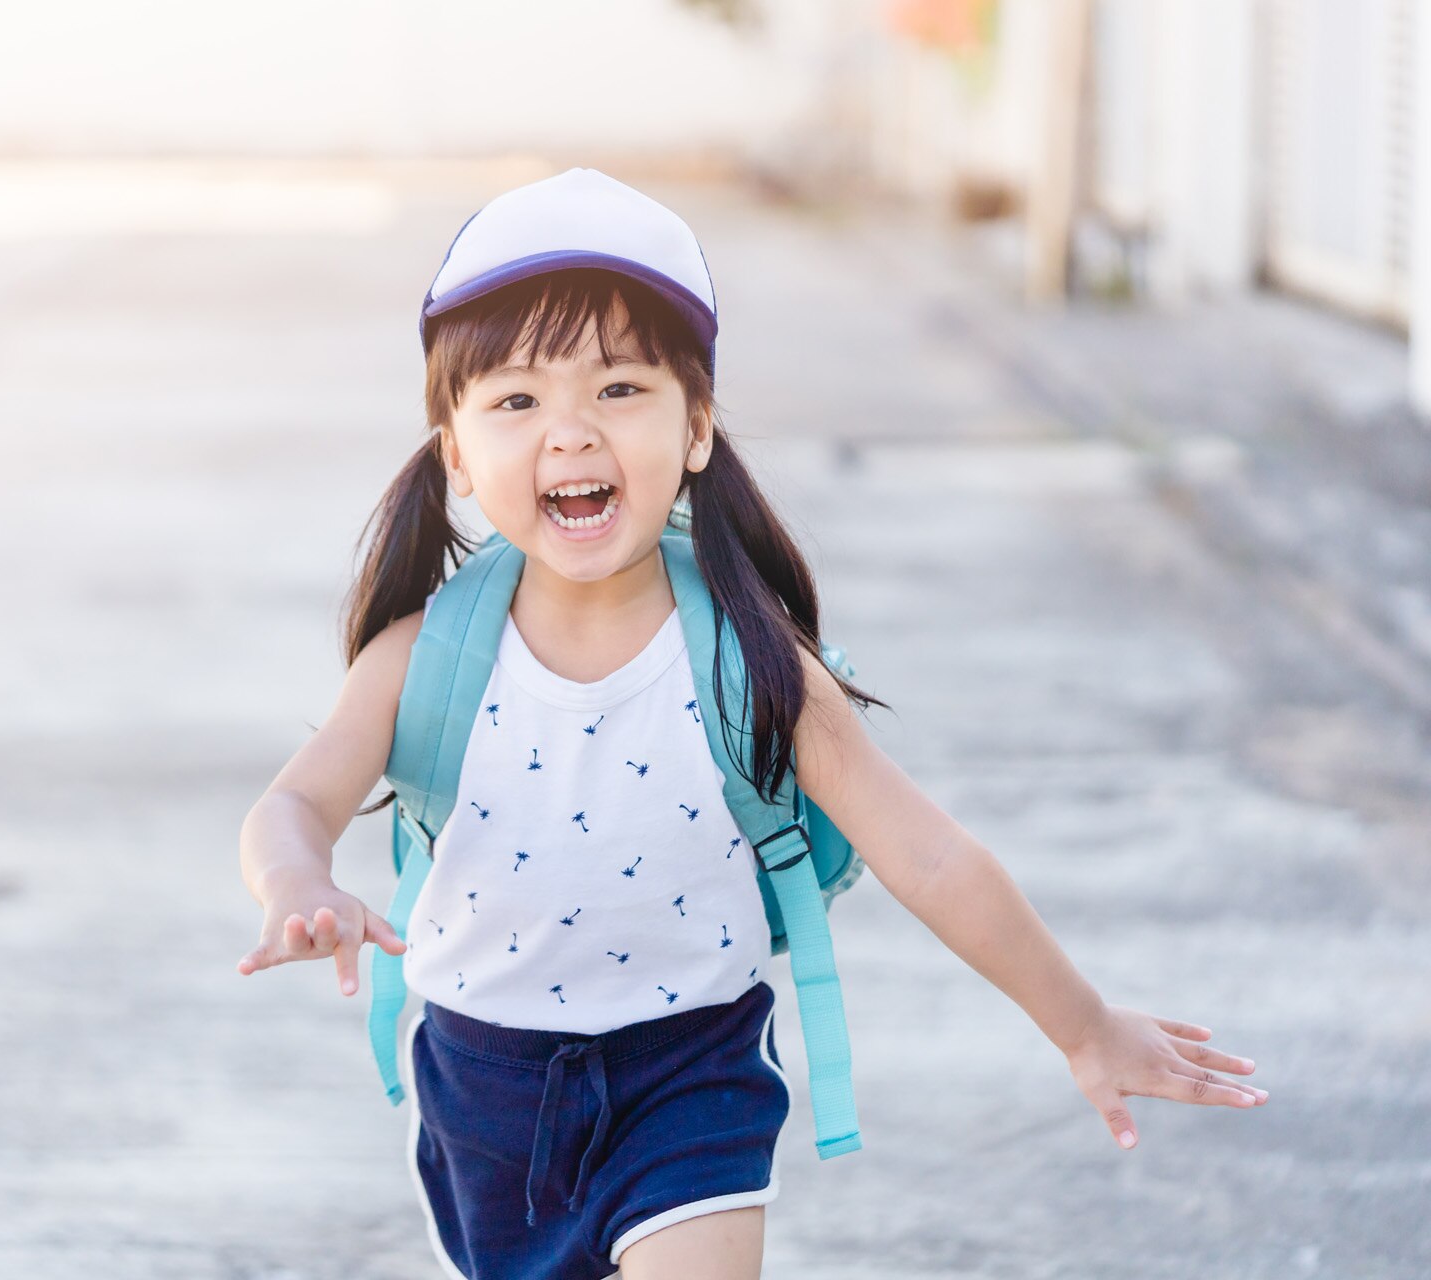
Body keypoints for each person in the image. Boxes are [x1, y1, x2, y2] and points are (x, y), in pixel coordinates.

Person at [235, 167, 1268, 1280]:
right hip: (487, 1087)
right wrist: (300, 884)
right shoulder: (424, 656)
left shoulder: (754, 662)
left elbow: (924, 850)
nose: (571, 434)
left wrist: (1083, 1021)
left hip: (693, 1069)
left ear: (696, 429)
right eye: (517, 401)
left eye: (619, 388)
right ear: (455, 452)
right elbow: (295, 801)